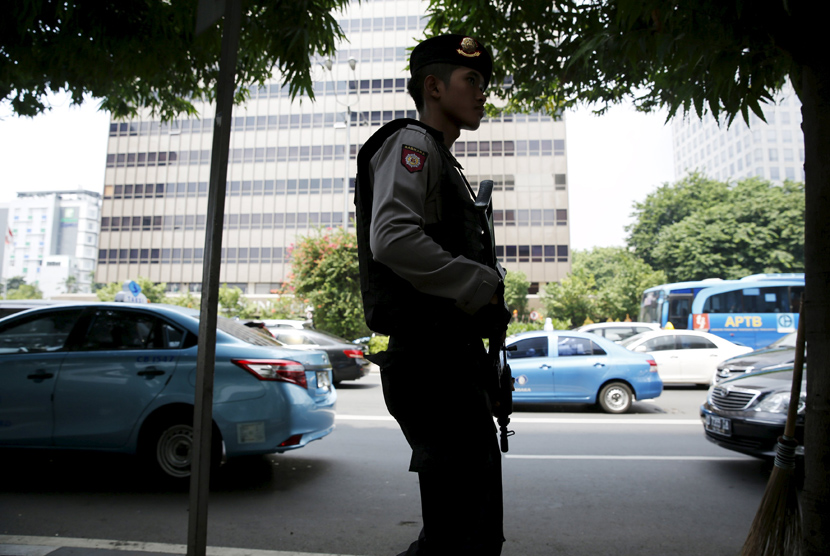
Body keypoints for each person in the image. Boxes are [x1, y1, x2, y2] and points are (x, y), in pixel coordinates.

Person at [354, 34, 511, 556]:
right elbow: (393, 237)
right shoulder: (414, 145)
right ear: (433, 86)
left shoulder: (442, 160)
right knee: (462, 537)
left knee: (465, 531)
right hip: (432, 363)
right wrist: (481, 284)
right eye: (472, 81)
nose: (482, 92)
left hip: (449, 362)